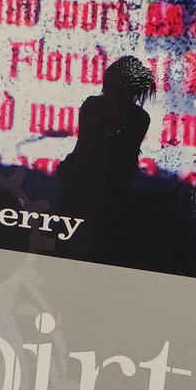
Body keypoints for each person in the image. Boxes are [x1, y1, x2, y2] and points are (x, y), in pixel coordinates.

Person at [55, 55, 155, 259]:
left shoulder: (94, 106)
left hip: (93, 186)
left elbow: (87, 147)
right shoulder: (139, 118)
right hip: (104, 188)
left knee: (72, 242)